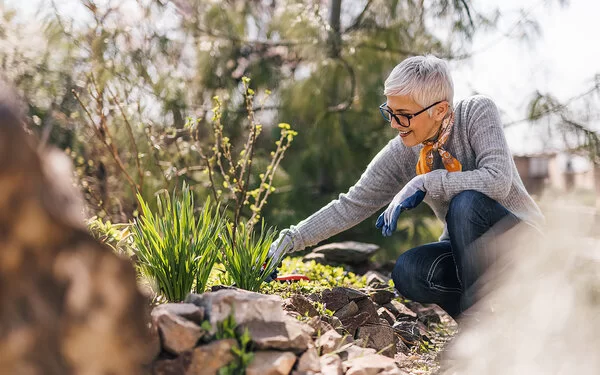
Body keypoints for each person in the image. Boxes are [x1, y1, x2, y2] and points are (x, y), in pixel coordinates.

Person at [266, 55, 544, 318]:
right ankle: (487, 333)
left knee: (466, 202)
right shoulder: (403, 151)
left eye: (404, 115)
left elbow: (496, 180)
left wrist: (426, 181)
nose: (395, 124)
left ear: (440, 110)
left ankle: (477, 328)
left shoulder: (476, 112)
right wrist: (290, 239)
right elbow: (351, 204)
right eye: (389, 112)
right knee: (409, 271)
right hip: (469, 260)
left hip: (524, 246)